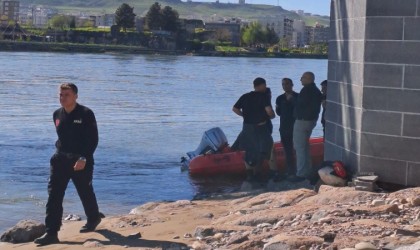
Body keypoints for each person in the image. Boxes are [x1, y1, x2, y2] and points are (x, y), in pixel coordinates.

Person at [34, 83, 101, 246]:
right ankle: (51, 232)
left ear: (76, 96)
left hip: (81, 160)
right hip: (60, 160)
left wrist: (84, 158)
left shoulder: (86, 113)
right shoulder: (57, 114)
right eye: (61, 95)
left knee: (84, 190)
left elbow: (93, 139)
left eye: (67, 95)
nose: (63, 98)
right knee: (54, 195)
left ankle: (93, 218)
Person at [232, 77, 275, 182]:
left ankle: (250, 175)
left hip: (247, 127)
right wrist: (272, 116)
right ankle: (274, 173)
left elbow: (235, 108)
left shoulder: (245, 96)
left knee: (249, 150)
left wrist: (244, 116)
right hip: (260, 126)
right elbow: (269, 111)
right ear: (261, 85)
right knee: (269, 148)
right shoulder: (263, 96)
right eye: (264, 85)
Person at [292, 72, 322, 182]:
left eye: (303, 77)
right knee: (305, 147)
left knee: (299, 147)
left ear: (309, 79)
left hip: (303, 120)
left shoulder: (307, 90)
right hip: (311, 121)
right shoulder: (316, 90)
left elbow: (301, 104)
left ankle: (301, 173)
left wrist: (292, 99)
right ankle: (308, 171)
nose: (300, 79)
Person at [275, 78, 299, 180]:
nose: (285, 86)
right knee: (287, 150)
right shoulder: (279, 98)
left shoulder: (297, 96)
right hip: (284, 127)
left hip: (296, 126)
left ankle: (299, 170)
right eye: (283, 84)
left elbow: (300, 109)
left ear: (292, 84)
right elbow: (278, 112)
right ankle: (290, 170)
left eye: (287, 84)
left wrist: (292, 101)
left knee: (297, 149)